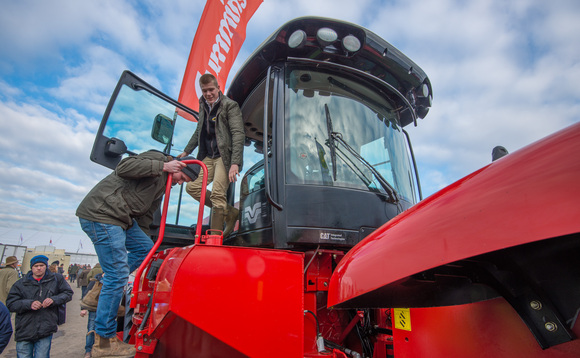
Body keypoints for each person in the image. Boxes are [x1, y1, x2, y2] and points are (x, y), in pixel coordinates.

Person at [76, 150, 198, 357]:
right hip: (102, 213)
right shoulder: (159, 160)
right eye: (181, 178)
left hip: (121, 218)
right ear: (179, 166)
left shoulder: (161, 187)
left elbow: (145, 215)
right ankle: (104, 342)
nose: (179, 183)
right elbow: (124, 167)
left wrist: (144, 240)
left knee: (145, 250)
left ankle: (98, 292)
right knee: (117, 275)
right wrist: (162, 166)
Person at [178, 73, 245, 237]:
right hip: (208, 156)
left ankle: (214, 237)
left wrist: (235, 162)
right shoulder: (203, 105)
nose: (208, 94)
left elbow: (238, 133)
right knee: (192, 187)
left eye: (211, 90)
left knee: (217, 194)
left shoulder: (230, 105)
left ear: (218, 88)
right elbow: (198, 131)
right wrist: (186, 151)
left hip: (224, 156)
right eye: (204, 91)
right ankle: (230, 213)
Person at [6, 254, 73, 358]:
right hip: (25, 328)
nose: (39, 268)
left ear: (46, 266)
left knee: (42, 356)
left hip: (45, 327)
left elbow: (68, 293)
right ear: (31, 267)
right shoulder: (21, 284)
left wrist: (53, 300)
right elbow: (11, 303)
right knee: (24, 355)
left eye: (41, 265)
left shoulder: (56, 280)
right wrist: (29, 304)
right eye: (36, 266)